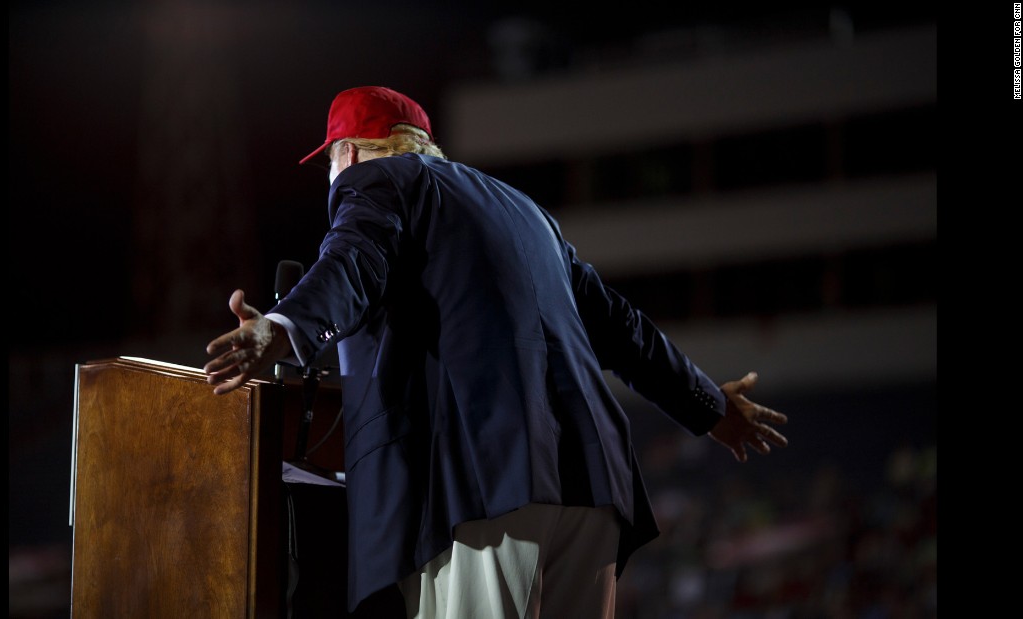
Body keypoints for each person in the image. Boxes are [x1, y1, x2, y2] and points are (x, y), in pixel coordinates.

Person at [204, 85, 789, 619]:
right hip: (592, 486)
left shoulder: (378, 183)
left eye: (329, 161)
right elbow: (620, 326)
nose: (330, 176)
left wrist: (279, 328)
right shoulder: (526, 212)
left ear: (350, 154)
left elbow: (351, 263)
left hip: (485, 483)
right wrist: (711, 406)